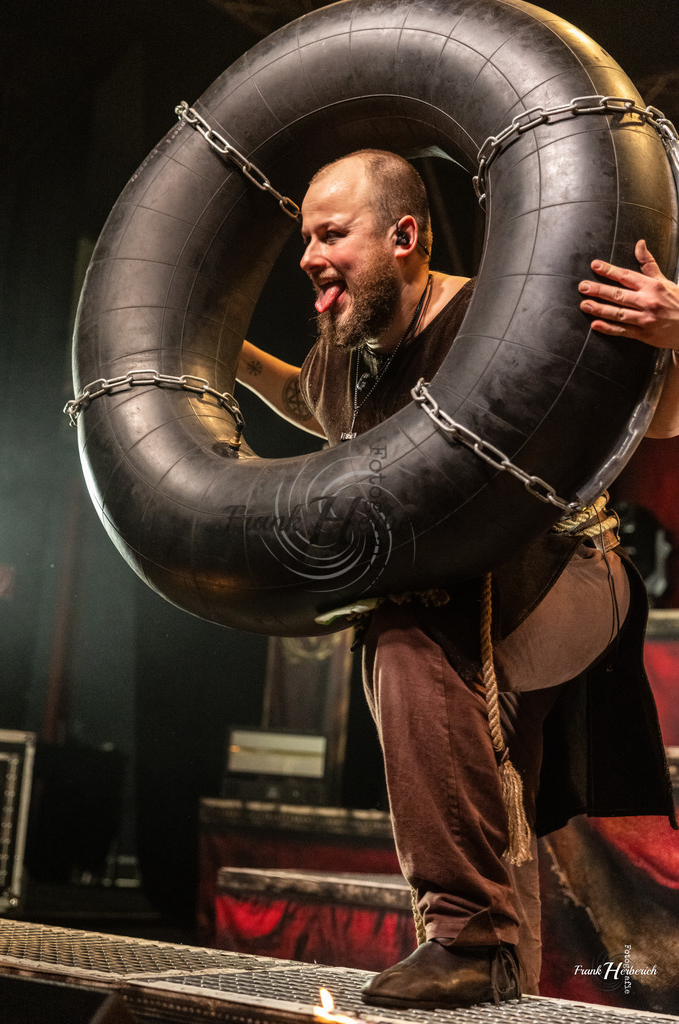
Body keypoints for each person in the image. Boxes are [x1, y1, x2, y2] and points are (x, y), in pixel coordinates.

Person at [236, 150, 679, 1009]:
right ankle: (498, 976)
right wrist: (238, 361)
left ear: (404, 236)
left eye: (331, 235)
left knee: (405, 630)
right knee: (490, 758)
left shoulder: (503, 317)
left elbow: (660, 417)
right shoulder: (348, 349)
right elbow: (314, 404)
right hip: (468, 591)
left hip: (569, 570)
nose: (307, 257)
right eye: (305, 240)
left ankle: (469, 939)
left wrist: (678, 331)